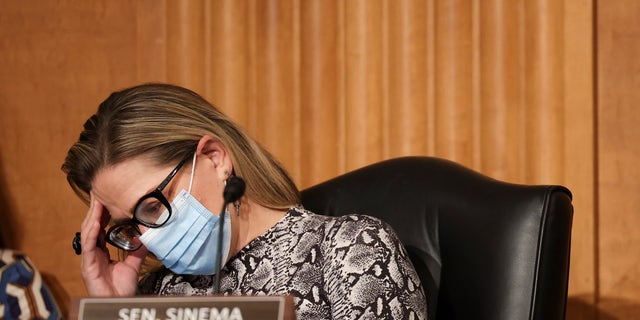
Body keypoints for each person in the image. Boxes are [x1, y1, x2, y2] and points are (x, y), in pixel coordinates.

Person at [62, 83, 427, 319]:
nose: (149, 237)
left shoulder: (349, 250)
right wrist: (112, 309)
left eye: (153, 207)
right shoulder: (155, 295)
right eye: (130, 226)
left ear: (216, 158)